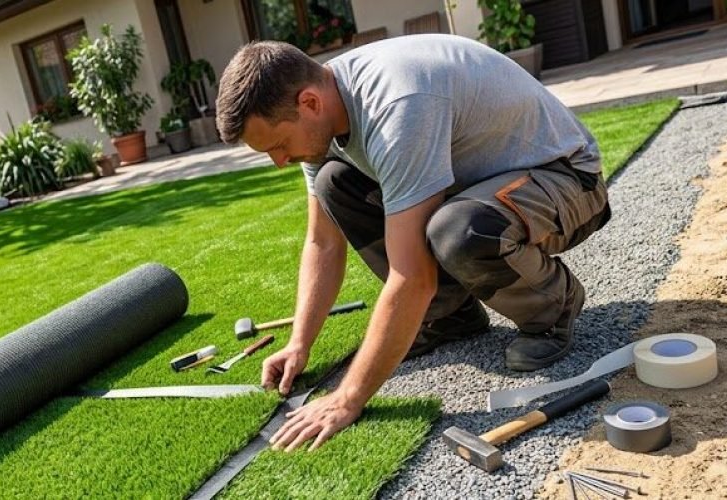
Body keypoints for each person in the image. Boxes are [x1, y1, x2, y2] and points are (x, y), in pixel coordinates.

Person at [214, 34, 611, 452]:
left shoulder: (396, 106)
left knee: (458, 231)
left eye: (278, 146)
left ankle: (552, 307)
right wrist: (300, 342)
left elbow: (412, 278)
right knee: (336, 184)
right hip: (481, 187)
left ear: (309, 103)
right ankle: (450, 316)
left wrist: (347, 399)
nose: (279, 162)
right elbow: (323, 244)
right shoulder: (321, 113)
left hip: (568, 181)